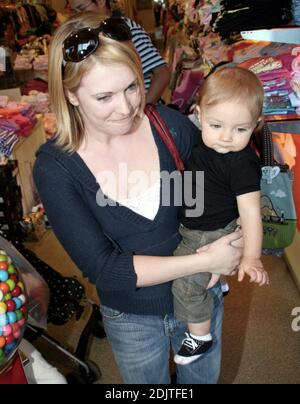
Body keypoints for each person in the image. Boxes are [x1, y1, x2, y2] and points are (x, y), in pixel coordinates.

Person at [33, 13, 243, 384]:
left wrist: (230, 241)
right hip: (131, 318)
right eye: (104, 96)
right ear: (70, 94)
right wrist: (208, 258)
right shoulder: (57, 168)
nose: (127, 106)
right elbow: (106, 270)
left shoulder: (172, 129)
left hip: (199, 297)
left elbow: (203, 207)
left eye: (132, 86)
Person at [172, 67, 270, 366]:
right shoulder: (204, 143)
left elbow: (252, 214)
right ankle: (217, 282)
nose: (227, 137)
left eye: (240, 129)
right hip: (196, 225)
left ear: (256, 124)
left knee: (184, 284)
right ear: (199, 115)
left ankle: (200, 337)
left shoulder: (241, 163)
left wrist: (250, 256)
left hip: (210, 233)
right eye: (217, 125)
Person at [69, 0, 171, 104]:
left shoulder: (125, 28)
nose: (78, 15)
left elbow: (162, 74)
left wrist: (144, 110)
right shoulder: (86, 36)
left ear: (100, 2)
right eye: (73, 11)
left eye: (81, 8)